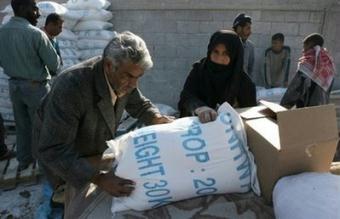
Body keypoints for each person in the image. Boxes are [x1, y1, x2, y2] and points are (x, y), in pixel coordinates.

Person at [33, 31, 174, 201]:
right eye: (129, 76)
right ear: (108, 65)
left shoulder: (123, 78)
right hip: (64, 159)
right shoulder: (71, 86)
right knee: (66, 203)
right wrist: (99, 178)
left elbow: (138, 103)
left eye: (138, 77)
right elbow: (54, 150)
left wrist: (156, 118)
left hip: (90, 149)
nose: (133, 84)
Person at [0, 0, 60, 170]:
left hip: (15, 86)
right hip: (36, 87)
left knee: (22, 125)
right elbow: (54, 64)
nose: (38, 13)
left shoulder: (2, 32)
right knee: (43, 126)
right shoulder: (35, 34)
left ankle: (24, 161)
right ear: (21, 8)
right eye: (34, 9)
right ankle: (45, 164)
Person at [178, 30, 257, 123]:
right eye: (216, 52)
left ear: (234, 56)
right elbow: (186, 96)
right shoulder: (199, 70)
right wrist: (199, 107)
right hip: (196, 130)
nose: (219, 58)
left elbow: (250, 119)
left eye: (226, 53)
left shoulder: (244, 83)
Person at [280, 33, 336, 108]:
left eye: (304, 46)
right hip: (321, 111)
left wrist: (283, 107)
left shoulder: (308, 64)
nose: (303, 50)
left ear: (310, 44)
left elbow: (296, 89)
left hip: (306, 111)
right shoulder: (328, 66)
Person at [232, 13, 255, 80]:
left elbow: (250, 69)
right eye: (248, 28)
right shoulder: (227, 44)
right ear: (239, 28)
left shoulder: (250, 46)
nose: (250, 32)